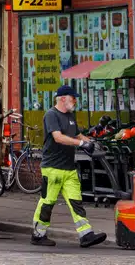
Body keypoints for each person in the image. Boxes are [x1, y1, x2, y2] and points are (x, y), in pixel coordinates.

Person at [31, 85, 106, 248]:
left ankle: (86, 234)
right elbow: (58, 137)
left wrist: (91, 142)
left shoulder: (70, 116)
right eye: (73, 98)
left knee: (76, 201)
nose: (75, 101)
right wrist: (81, 144)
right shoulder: (51, 115)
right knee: (47, 202)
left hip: (69, 168)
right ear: (63, 98)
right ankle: (38, 234)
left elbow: (77, 134)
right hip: (52, 168)